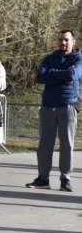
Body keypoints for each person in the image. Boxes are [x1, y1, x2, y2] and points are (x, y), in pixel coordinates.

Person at [26, 30, 82, 192]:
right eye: (60, 40)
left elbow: (73, 75)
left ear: (73, 41)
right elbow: (40, 77)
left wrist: (52, 72)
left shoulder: (78, 58)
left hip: (68, 105)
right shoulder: (49, 58)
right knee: (44, 145)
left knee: (67, 145)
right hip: (47, 106)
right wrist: (62, 74)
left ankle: (65, 179)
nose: (62, 43)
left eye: (66, 40)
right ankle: (43, 178)